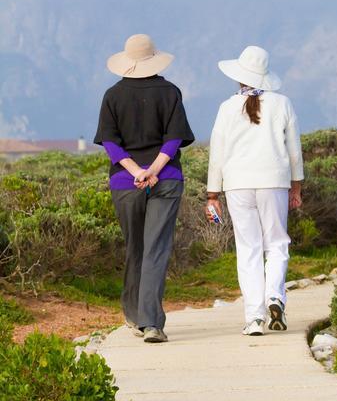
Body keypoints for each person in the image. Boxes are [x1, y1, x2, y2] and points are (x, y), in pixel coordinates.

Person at [94, 34, 194, 343]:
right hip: (165, 179)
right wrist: (154, 169)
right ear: (154, 60)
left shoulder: (112, 95)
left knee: (135, 247)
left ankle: (133, 314)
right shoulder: (170, 92)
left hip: (126, 182)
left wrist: (137, 171)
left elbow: (110, 143)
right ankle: (152, 323)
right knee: (156, 249)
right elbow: (174, 138)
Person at [206, 45, 304, 336]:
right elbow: (294, 151)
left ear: (239, 75)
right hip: (274, 180)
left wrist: (213, 193)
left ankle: (254, 318)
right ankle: (274, 295)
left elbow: (217, 153)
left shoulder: (226, 107)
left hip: (237, 184)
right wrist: (296, 186)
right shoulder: (283, 103)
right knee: (276, 243)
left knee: (247, 248)